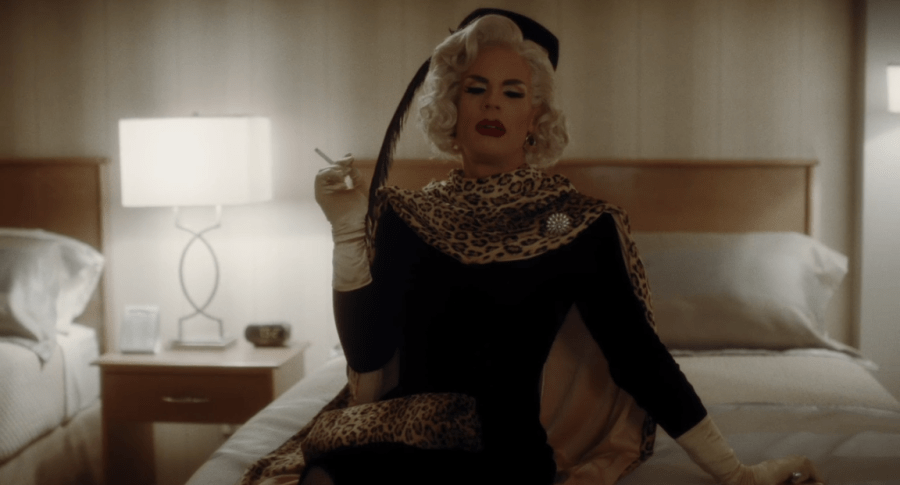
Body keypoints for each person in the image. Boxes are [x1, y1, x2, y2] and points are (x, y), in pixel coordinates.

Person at [242, 9, 825, 485]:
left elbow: (639, 358)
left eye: (512, 92)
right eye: (476, 89)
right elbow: (368, 352)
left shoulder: (571, 223)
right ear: (452, 108)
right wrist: (347, 231)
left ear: (534, 117)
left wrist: (736, 474)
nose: (492, 104)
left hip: (501, 456)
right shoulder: (407, 215)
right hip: (395, 442)